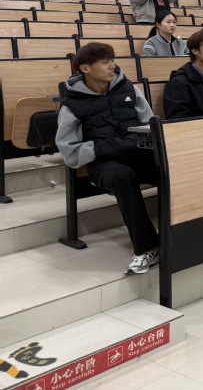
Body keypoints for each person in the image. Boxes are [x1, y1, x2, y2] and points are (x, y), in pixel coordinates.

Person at [55, 43, 159, 275]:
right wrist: (106, 147)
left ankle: (182, 231)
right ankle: (147, 248)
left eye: (112, 60)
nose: (112, 66)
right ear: (85, 68)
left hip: (137, 153)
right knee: (123, 176)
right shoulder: (72, 104)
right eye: (105, 62)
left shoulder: (128, 88)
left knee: (173, 165)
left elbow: (150, 124)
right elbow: (69, 152)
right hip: (104, 164)